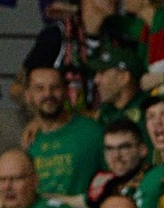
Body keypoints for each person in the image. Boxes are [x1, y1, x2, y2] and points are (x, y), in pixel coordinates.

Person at [21, 0, 142, 111]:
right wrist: (40, 117)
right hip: (67, 126)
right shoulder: (57, 34)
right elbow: (18, 87)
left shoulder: (120, 35)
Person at [25, 66, 107, 199]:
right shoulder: (29, 139)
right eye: (40, 88)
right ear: (28, 96)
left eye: (55, 87)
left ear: (66, 92)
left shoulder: (92, 132)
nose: (48, 94)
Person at [88, 119, 153, 208]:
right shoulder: (106, 185)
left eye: (124, 148)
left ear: (142, 150)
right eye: (109, 149)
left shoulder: (155, 181)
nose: (116, 156)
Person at [91, 46, 145, 126]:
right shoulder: (105, 112)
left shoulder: (147, 112)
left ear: (124, 78)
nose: (95, 80)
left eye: (102, 73)